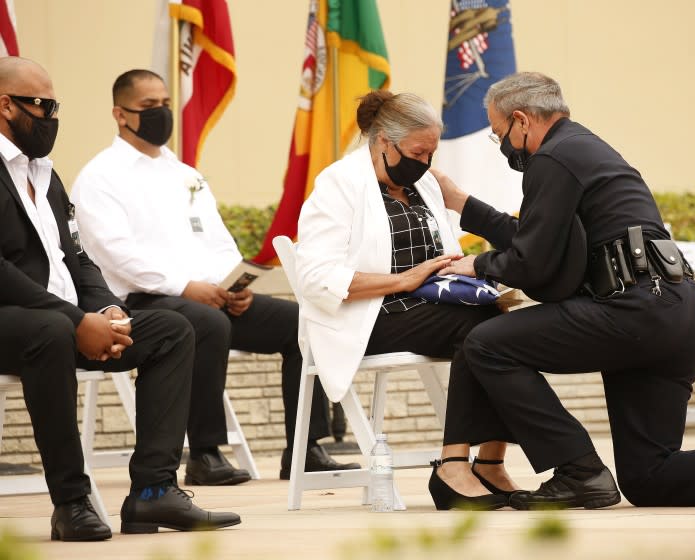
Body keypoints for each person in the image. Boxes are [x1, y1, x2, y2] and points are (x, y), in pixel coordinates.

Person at [428, 71, 695, 510]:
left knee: (486, 345)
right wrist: (463, 205)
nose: (503, 145)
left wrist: (478, 264)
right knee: (650, 476)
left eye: (499, 134)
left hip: (633, 309)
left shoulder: (552, 159)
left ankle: (578, 470)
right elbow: (540, 237)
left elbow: (534, 262)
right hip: (676, 314)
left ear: (521, 120)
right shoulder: (586, 151)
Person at [70, 69, 358, 484]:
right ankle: (204, 454)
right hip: (144, 301)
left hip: (210, 295)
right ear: (120, 114)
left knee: (302, 324)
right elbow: (115, 255)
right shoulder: (100, 177)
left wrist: (232, 285)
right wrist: (186, 287)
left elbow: (218, 239)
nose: (162, 114)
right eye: (149, 107)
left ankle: (305, 450)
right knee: (206, 322)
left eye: (166, 105)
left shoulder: (185, 174)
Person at [0, 57, 240, 540]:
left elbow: (78, 258)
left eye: (54, 106)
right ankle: (71, 502)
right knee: (48, 332)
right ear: (6, 105)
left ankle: (153, 493)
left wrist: (108, 310)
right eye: (43, 106)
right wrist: (74, 320)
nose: (51, 117)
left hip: (65, 318)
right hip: (22, 321)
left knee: (173, 329)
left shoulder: (45, 174)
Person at [296, 91, 507, 509]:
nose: (425, 163)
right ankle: (453, 465)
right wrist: (403, 280)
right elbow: (316, 278)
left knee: (505, 327)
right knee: (483, 332)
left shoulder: (423, 183)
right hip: (368, 315)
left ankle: (489, 461)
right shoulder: (339, 184)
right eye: (417, 152)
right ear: (382, 142)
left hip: (430, 306)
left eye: (431, 153)